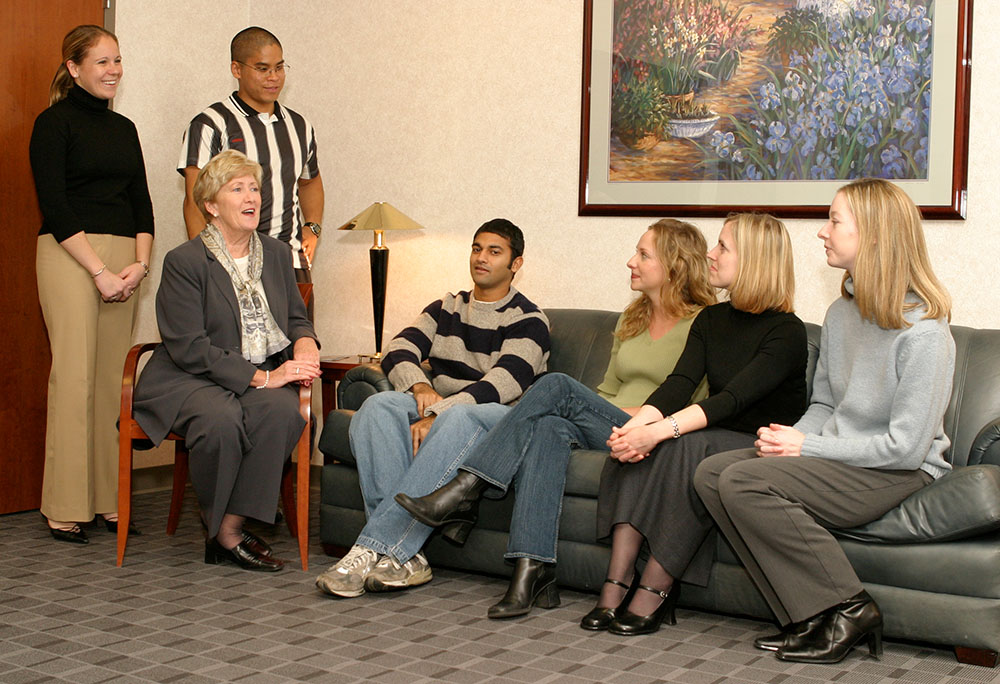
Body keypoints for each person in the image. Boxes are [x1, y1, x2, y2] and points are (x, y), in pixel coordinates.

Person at [396, 214, 807, 626]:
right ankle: (529, 568)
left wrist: (647, 429)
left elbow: (722, 400)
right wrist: (631, 425)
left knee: (556, 388)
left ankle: (468, 488)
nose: (711, 254)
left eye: (723, 247)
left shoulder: (776, 330)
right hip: (632, 423)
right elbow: (668, 386)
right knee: (548, 424)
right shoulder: (698, 320)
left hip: (707, 434)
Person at [694, 179, 955, 664]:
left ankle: (850, 607)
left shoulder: (925, 336)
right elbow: (827, 406)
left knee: (746, 482)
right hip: (845, 458)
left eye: (835, 221)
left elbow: (905, 448)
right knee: (712, 473)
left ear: (873, 237)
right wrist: (790, 437)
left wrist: (805, 449)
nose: (822, 232)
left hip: (901, 471)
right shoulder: (841, 314)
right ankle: (808, 616)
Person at [315, 219, 550, 598]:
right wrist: (420, 386)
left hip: (499, 416)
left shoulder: (528, 319)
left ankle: (372, 547)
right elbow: (398, 348)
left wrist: (437, 413)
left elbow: (503, 384)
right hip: (442, 405)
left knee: (459, 415)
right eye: (477, 248)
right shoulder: (447, 307)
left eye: (494, 251)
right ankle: (407, 559)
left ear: (516, 264)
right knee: (378, 407)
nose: (481, 258)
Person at [133, 150, 321, 572]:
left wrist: (306, 342)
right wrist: (262, 376)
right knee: (219, 418)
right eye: (237, 188)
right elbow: (188, 346)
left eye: (254, 187)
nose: (250, 196)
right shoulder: (185, 261)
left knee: (281, 411)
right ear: (211, 205)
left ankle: (227, 529)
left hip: (251, 373)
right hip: (189, 376)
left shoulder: (274, 254)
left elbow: (294, 317)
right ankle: (225, 533)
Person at [30, 25, 154, 543]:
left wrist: (140, 265)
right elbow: (55, 205)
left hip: (124, 260)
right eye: (102, 62)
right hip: (69, 255)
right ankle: (64, 505)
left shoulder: (124, 128)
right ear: (74, 68)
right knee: (76, 379)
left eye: (118, 60)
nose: (113, 70)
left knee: (111, 386)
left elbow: (142, 202)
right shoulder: (53, 124)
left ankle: (109, 500)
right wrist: (98, 271)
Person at [178, 26, 323, 316]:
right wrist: (206, 263)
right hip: (232, 263)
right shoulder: (211, 123)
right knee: (238, 355)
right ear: (237, 69)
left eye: (279, 68)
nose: (274, 77)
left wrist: (313, 228)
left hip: (290, 264)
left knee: (300, 351)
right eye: (263, 68)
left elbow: (310, 182)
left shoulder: (299, 126)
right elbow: (195, 199)